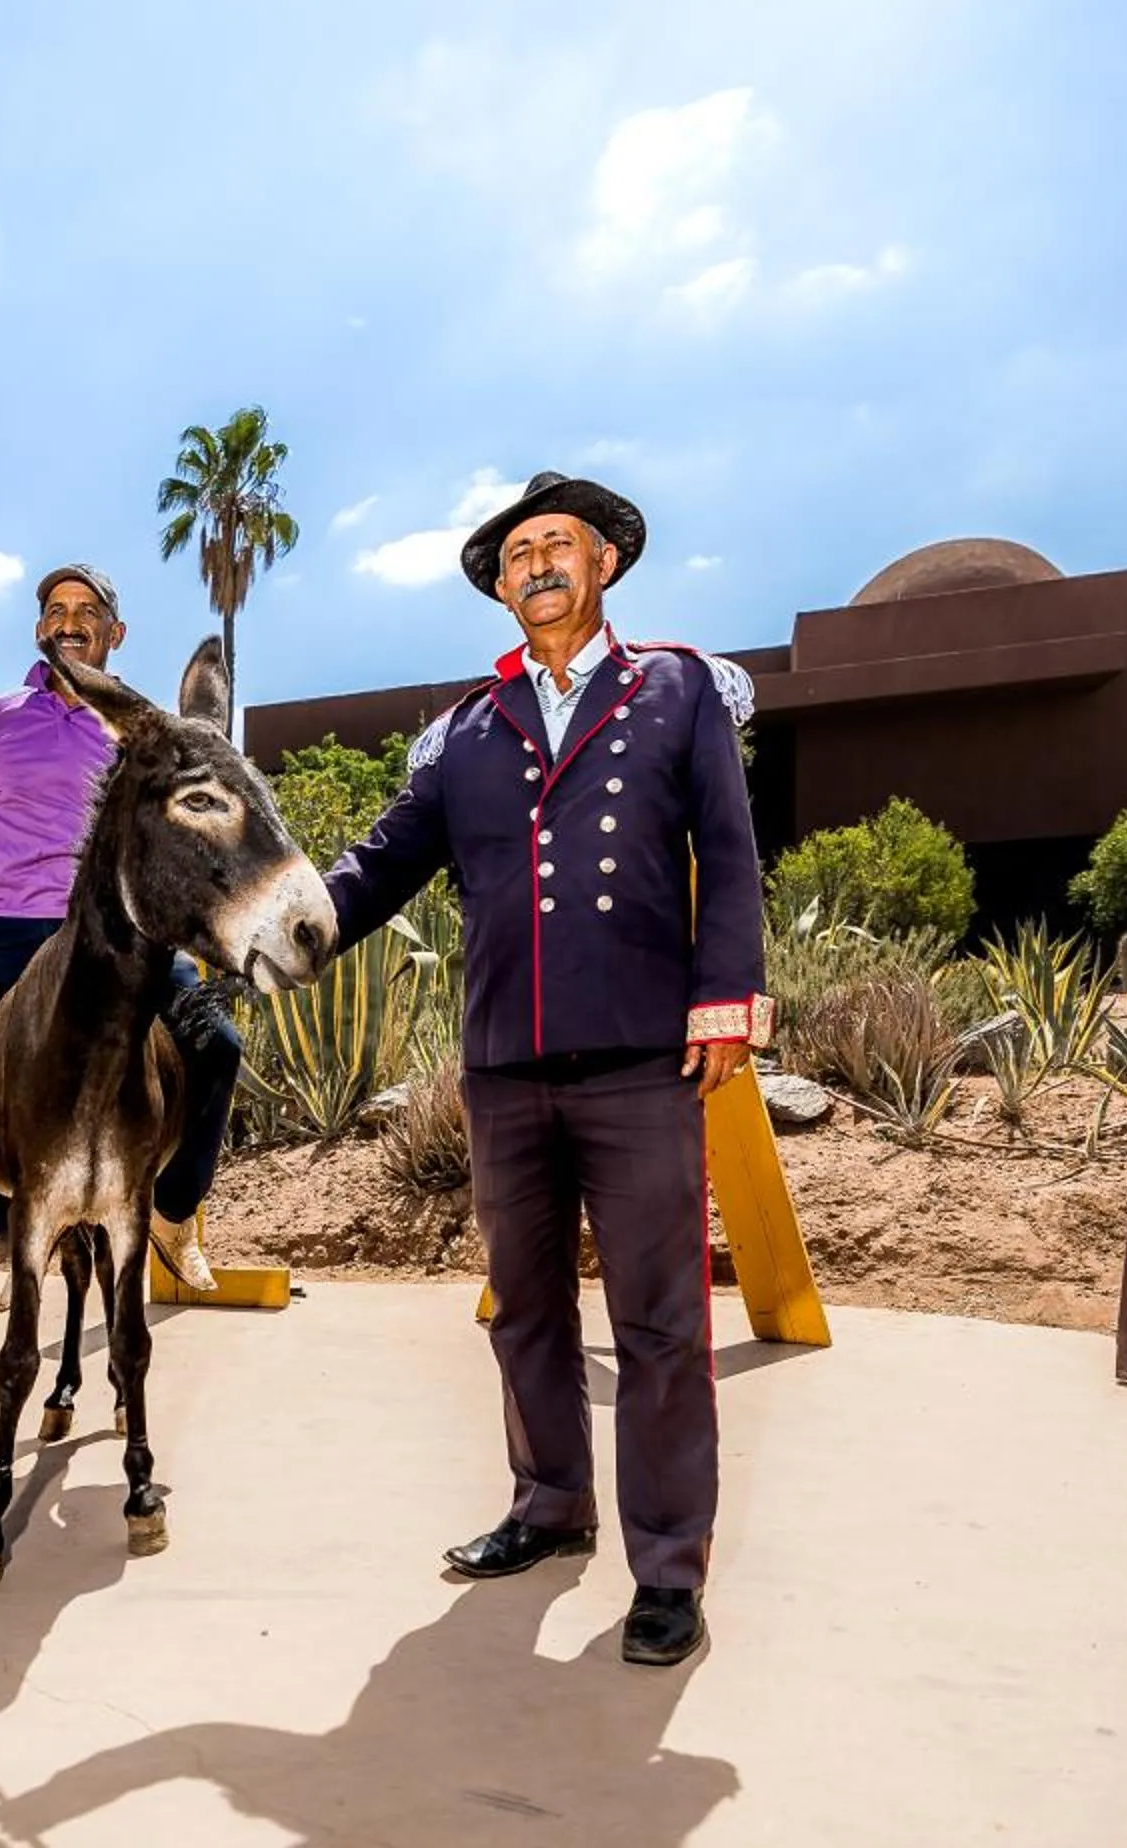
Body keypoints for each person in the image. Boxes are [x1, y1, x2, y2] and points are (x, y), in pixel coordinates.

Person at [321, 472, 766, 1668]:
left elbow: (726, 848)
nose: (535, 566)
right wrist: (281, 922)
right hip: (505, 1063)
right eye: (516, 555)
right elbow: (380, 863)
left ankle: (669, 1565)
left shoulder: (675, 687)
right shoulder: (467, 728)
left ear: (606, 562)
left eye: (555, 545)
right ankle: (547, 1505)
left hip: (637, 1055)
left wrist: (729, 992)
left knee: (662, 1324)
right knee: (524, 1308)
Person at [0, 563, 241, 1295]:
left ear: (115, 633)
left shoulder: (142, 728)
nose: (69, 621)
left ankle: (174, 1217)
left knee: (216, 1048)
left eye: (87, 611)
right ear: (39, 629)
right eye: (55, 610)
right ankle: (30, 1228)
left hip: (117, 936)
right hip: (3, 928)